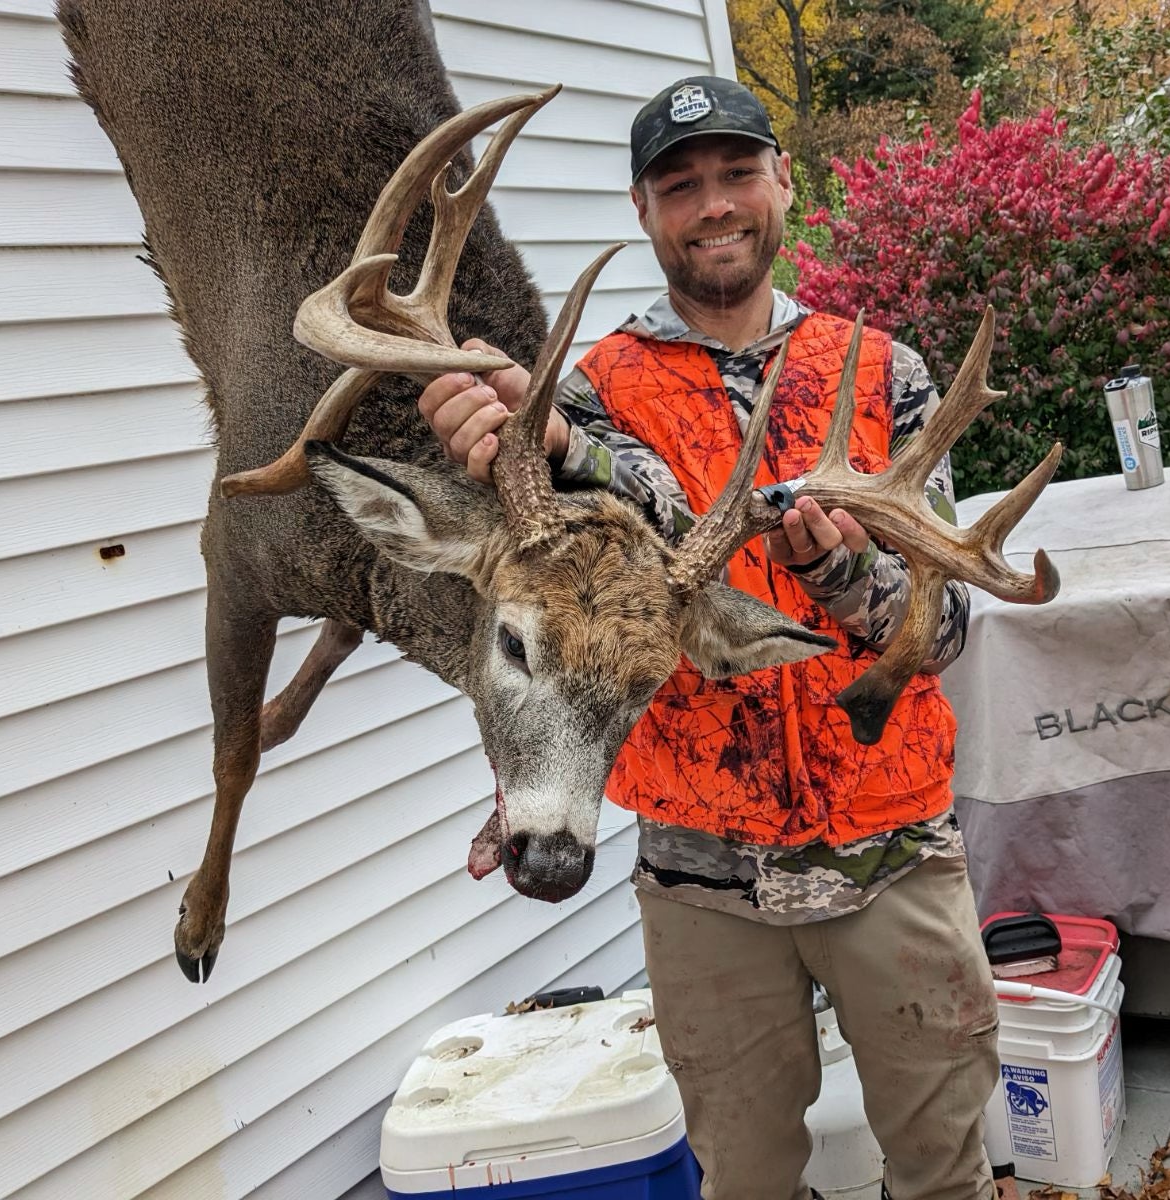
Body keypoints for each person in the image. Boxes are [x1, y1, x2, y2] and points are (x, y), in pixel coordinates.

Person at [419, 75, 1000, 1200]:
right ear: (644, 211)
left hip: (891, 847)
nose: (714, 204)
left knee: (945, 1171)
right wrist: (508, 448)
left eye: (737, 173)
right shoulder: (581, 402)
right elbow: (560, 614)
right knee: (741, 1178)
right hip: (699, 875)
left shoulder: (885, 375)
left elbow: (944, 630)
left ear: (784, 180)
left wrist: (839, 571)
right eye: (680, 185)